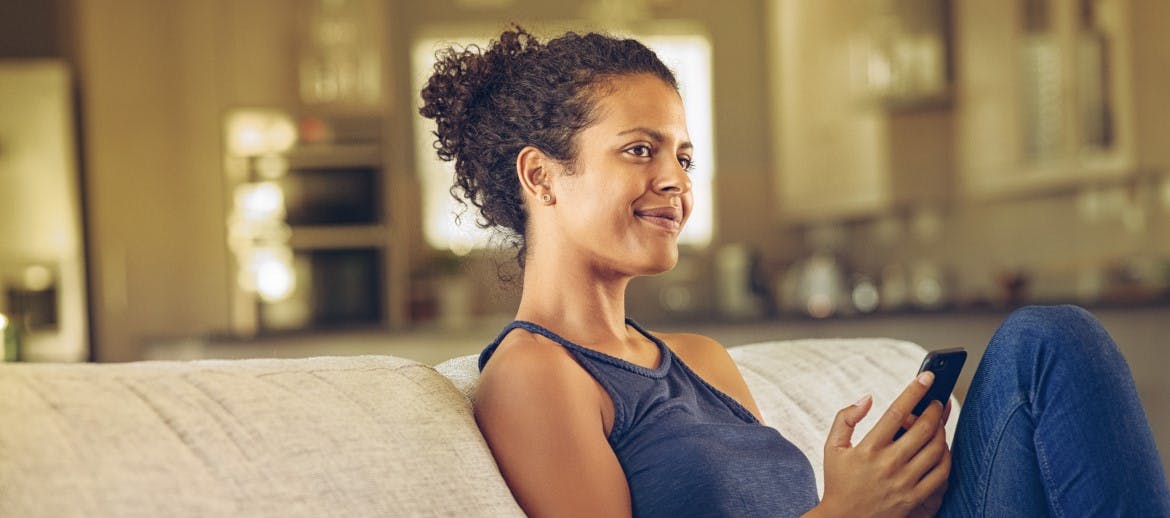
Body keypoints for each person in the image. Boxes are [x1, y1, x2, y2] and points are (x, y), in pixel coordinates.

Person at [419, 26, 1170, 517]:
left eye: (683, 156)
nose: (676, 181)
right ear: (542, 177)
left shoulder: (701, 360)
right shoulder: (536, 376)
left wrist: (886, 488)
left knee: (1050, 343)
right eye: (640, 150)